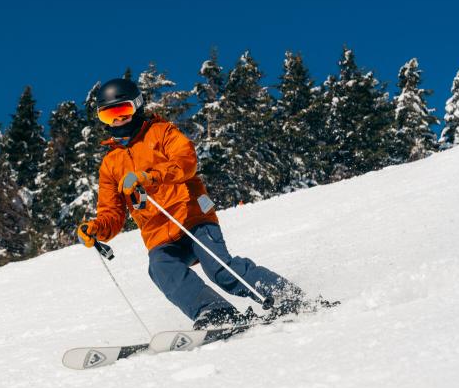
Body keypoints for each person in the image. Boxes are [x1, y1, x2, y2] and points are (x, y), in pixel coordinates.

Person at [77, 77, 311, 330]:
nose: (117, 120)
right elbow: (111, 213)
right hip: (158, 234)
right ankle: (216, 312)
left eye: (122, 111)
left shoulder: (162, 132)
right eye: (108, 115)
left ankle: (284, 294)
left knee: (219, 270)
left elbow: (187, 162)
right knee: (161, 268)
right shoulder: (110, 164)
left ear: (137, 106)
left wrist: (151, 176)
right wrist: (96, 229)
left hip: (192, 216)